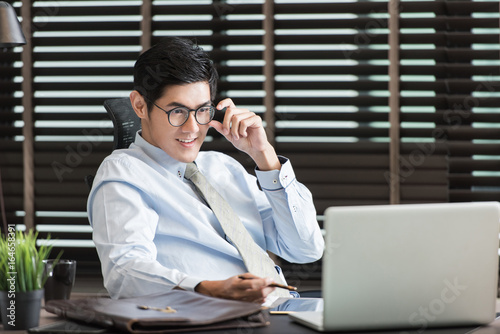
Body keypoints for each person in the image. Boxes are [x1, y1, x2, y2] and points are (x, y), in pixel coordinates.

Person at [87, 37, 324, 303]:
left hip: (283, 308)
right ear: (140, 105)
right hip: (210, 316)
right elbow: (125, 272)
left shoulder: (223, 167)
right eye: (177, 111)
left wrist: (265, 156)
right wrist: (209, 288)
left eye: (202, 110)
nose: (192, 128)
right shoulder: (123, 174)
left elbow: (306, 249)